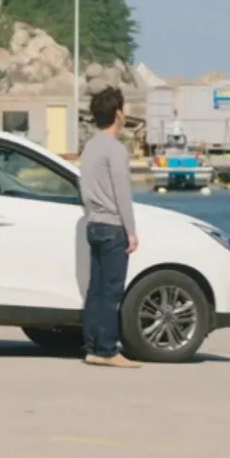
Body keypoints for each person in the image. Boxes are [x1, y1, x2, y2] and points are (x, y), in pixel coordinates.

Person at [78, 86, 140, 368]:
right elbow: (122, 193)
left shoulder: (90, 147)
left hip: (93, 223)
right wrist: (131, 231)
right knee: (112, 291)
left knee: (96, 289)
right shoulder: (115, 149)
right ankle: (107, 349)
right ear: (118, 114)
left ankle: (92, 346)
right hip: (113, 225)